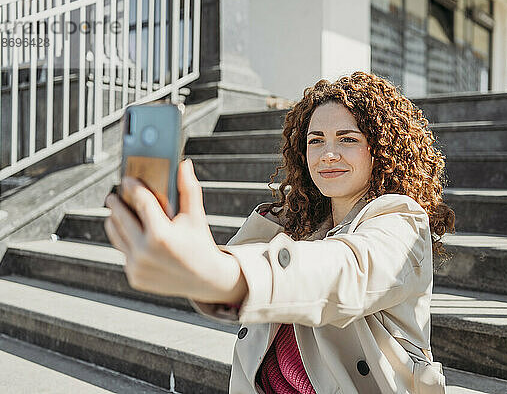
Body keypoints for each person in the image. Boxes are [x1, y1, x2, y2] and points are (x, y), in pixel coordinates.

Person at [104, 71, 455, 394]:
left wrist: (221, 271)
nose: (328, 154)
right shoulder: (294, 223)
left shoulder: (401, 220)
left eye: (347, 139)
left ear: (380, 150)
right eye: (315, 141)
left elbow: (345, 270)